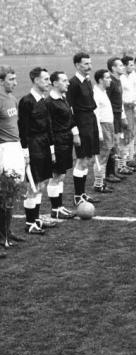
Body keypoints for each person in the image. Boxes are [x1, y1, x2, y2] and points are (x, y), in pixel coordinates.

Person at [18, 67, 57, 234]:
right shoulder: (26, 101)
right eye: (46, 79)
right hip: (33, 146)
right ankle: (30, 223)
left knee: (41, 183)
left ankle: (36, 218)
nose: (49, 82)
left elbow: (48, 126)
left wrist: (52, 148)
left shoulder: (43, 100)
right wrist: (25, 151)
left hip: (44, 145)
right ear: (36, 81)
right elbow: (23, 129)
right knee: (33, 186)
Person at [66, 52, 100, 206]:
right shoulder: (72, 83)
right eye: (86, 64)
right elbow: (69, 109)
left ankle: (82, 194)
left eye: (90, 63)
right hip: (81, 123)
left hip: (90, 121)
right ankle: (77, 196)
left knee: (87, 159)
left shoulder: (87, 81)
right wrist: (75, 132)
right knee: (81, 159)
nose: (89, 67)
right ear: (77, 65)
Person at [0, 65, 25, 253]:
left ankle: (7, 231)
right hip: (4, 149)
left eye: (15, 79)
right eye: (11, 80)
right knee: (5, 191)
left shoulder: (12, 98)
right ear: (1, 81)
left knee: (14, 190)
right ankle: (2, 236)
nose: (15, 83)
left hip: (15, 147)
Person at [45, 71, 76, 218]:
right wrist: (51, 150)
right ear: (55, 83)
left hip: (66, 140)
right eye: (64, 81)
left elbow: (70, 118)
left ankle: (59, 206)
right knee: (56, 175)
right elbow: (48, 127)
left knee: (61, 175)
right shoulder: (49, 102)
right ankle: (55, 209)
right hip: (57, 142)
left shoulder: (63, 98)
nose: (68, 83)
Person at [92, 69, 113, 193]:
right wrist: (99, 132)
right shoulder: (96, 93)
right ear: (100, 80)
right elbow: (96, 115)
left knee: (105, 154)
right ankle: (98, 184)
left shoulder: (103, 92)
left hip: (108, 125)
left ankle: (101, 182)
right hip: (103, 126)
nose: (110, 80)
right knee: (102, 156)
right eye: (107, 78)